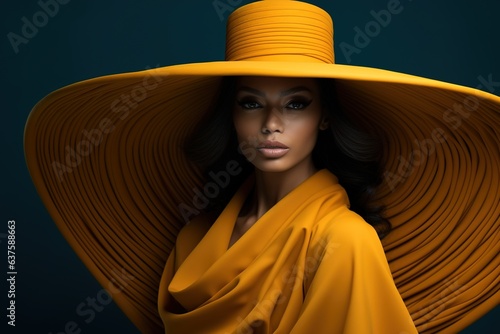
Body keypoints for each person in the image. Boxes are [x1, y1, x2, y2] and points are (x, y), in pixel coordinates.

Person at [24, 0, 499, 333]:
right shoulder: (193, 240)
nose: (271, 124)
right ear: (230, 116)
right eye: (251, 103)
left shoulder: (345, 241)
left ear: (325, 117)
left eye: (295, 104)